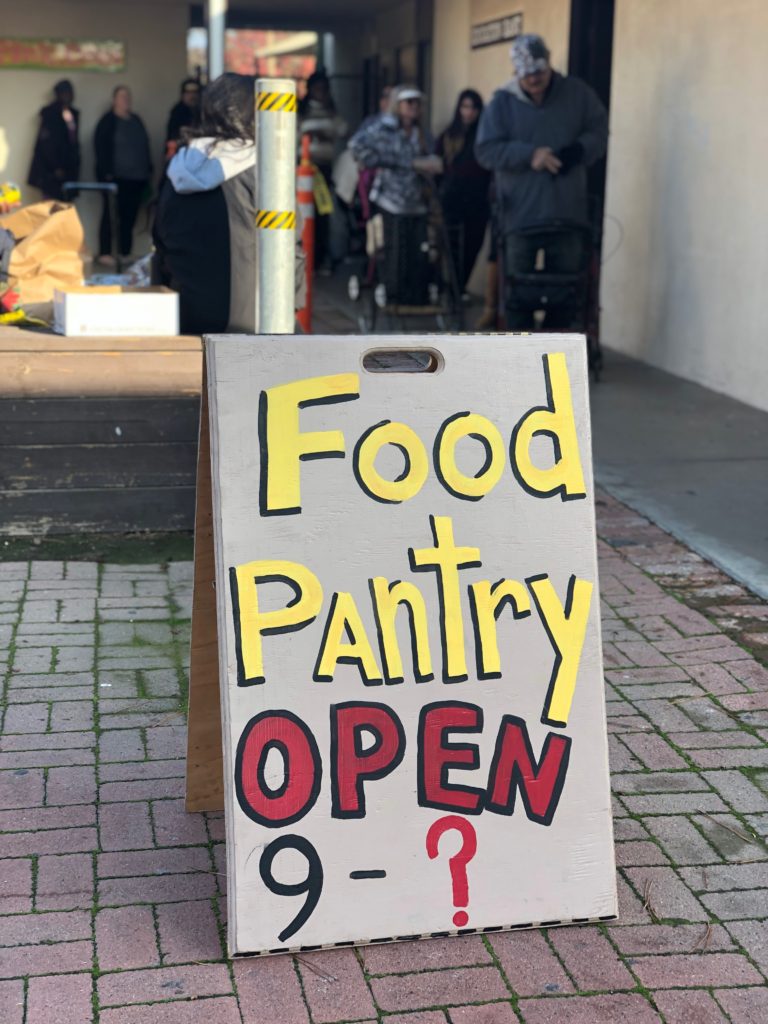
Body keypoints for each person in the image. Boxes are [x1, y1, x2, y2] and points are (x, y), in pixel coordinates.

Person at [475, 34, 608, 328]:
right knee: (517, 295)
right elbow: (485, 150)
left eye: (539, 72)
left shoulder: (577, 93)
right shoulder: (501, 103)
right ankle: (521, 362)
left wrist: (578, 151)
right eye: (527, 74)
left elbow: (599, 131)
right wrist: (528, 155)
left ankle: (552, 362)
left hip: (568, 215)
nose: (534, 80)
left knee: (566, 294)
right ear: (516, 73)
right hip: (520, 217)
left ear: (549, 66)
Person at [152, 74, 260, 333]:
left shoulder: (180, 165)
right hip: (250, 320)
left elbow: (161, 235)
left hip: (186, 315)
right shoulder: (260, 167)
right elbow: (291, 247)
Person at [349, 84, 441, 305]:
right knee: (394, 250)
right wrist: (404, 163)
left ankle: (417, 297)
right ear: (398, 105)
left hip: (417, 201)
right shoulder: (383, 128)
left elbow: (432, 157)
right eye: (409, 102)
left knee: (419, 250)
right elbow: (356, 147)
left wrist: (431, 166)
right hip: (390, 200)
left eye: (417, 103)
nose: (413, 108)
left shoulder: (422, 133)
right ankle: (393, 295)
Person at [435, 88, 491, 294]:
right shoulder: (449, 136)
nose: (469, 112)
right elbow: (438, 167)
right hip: (452, 199)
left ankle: (459, 288)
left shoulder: (485, 137)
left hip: (478, 200)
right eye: (465, 107)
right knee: (451, 246)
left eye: (473, 107)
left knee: (472, 246)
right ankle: (450, 288)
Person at [94, 86, 152, 265]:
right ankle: (105, 253)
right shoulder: (107, 121)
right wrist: (106, 174)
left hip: (136, 179)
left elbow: (145, 145)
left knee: (130, 217)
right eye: (121, 96)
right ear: (114, 100)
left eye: (128, 96)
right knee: (110, 215)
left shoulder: (136, 120)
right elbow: (100, 149)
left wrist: (148, 171)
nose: (125, 100)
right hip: (114, 179)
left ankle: (124, 252)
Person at [298, 69, 348, 274]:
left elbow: (343, 130)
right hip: (304, 170)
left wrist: (326, 133)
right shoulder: (300, 111)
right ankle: (305, 258)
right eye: (317, 88)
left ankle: (321, 258)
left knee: (323, 215)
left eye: (324, 89)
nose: (320, 92)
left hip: (324, 170)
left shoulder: (331, 111)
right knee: (303, 214)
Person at [27, 80, 80, 201]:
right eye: (66, 93)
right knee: (50, 207)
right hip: (51, 172)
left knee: (64, 209)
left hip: (69, 169)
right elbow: (46, 144)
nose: (69, 96)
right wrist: (56, 167)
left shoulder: (72, 114)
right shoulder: (50, 114)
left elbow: (73, 141)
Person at [166, 78, 202, 149]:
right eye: (188, 93)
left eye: (195, 92)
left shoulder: (204, 112)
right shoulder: (177, 112)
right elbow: (172, 138)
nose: (192, 96)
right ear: (183, 95)